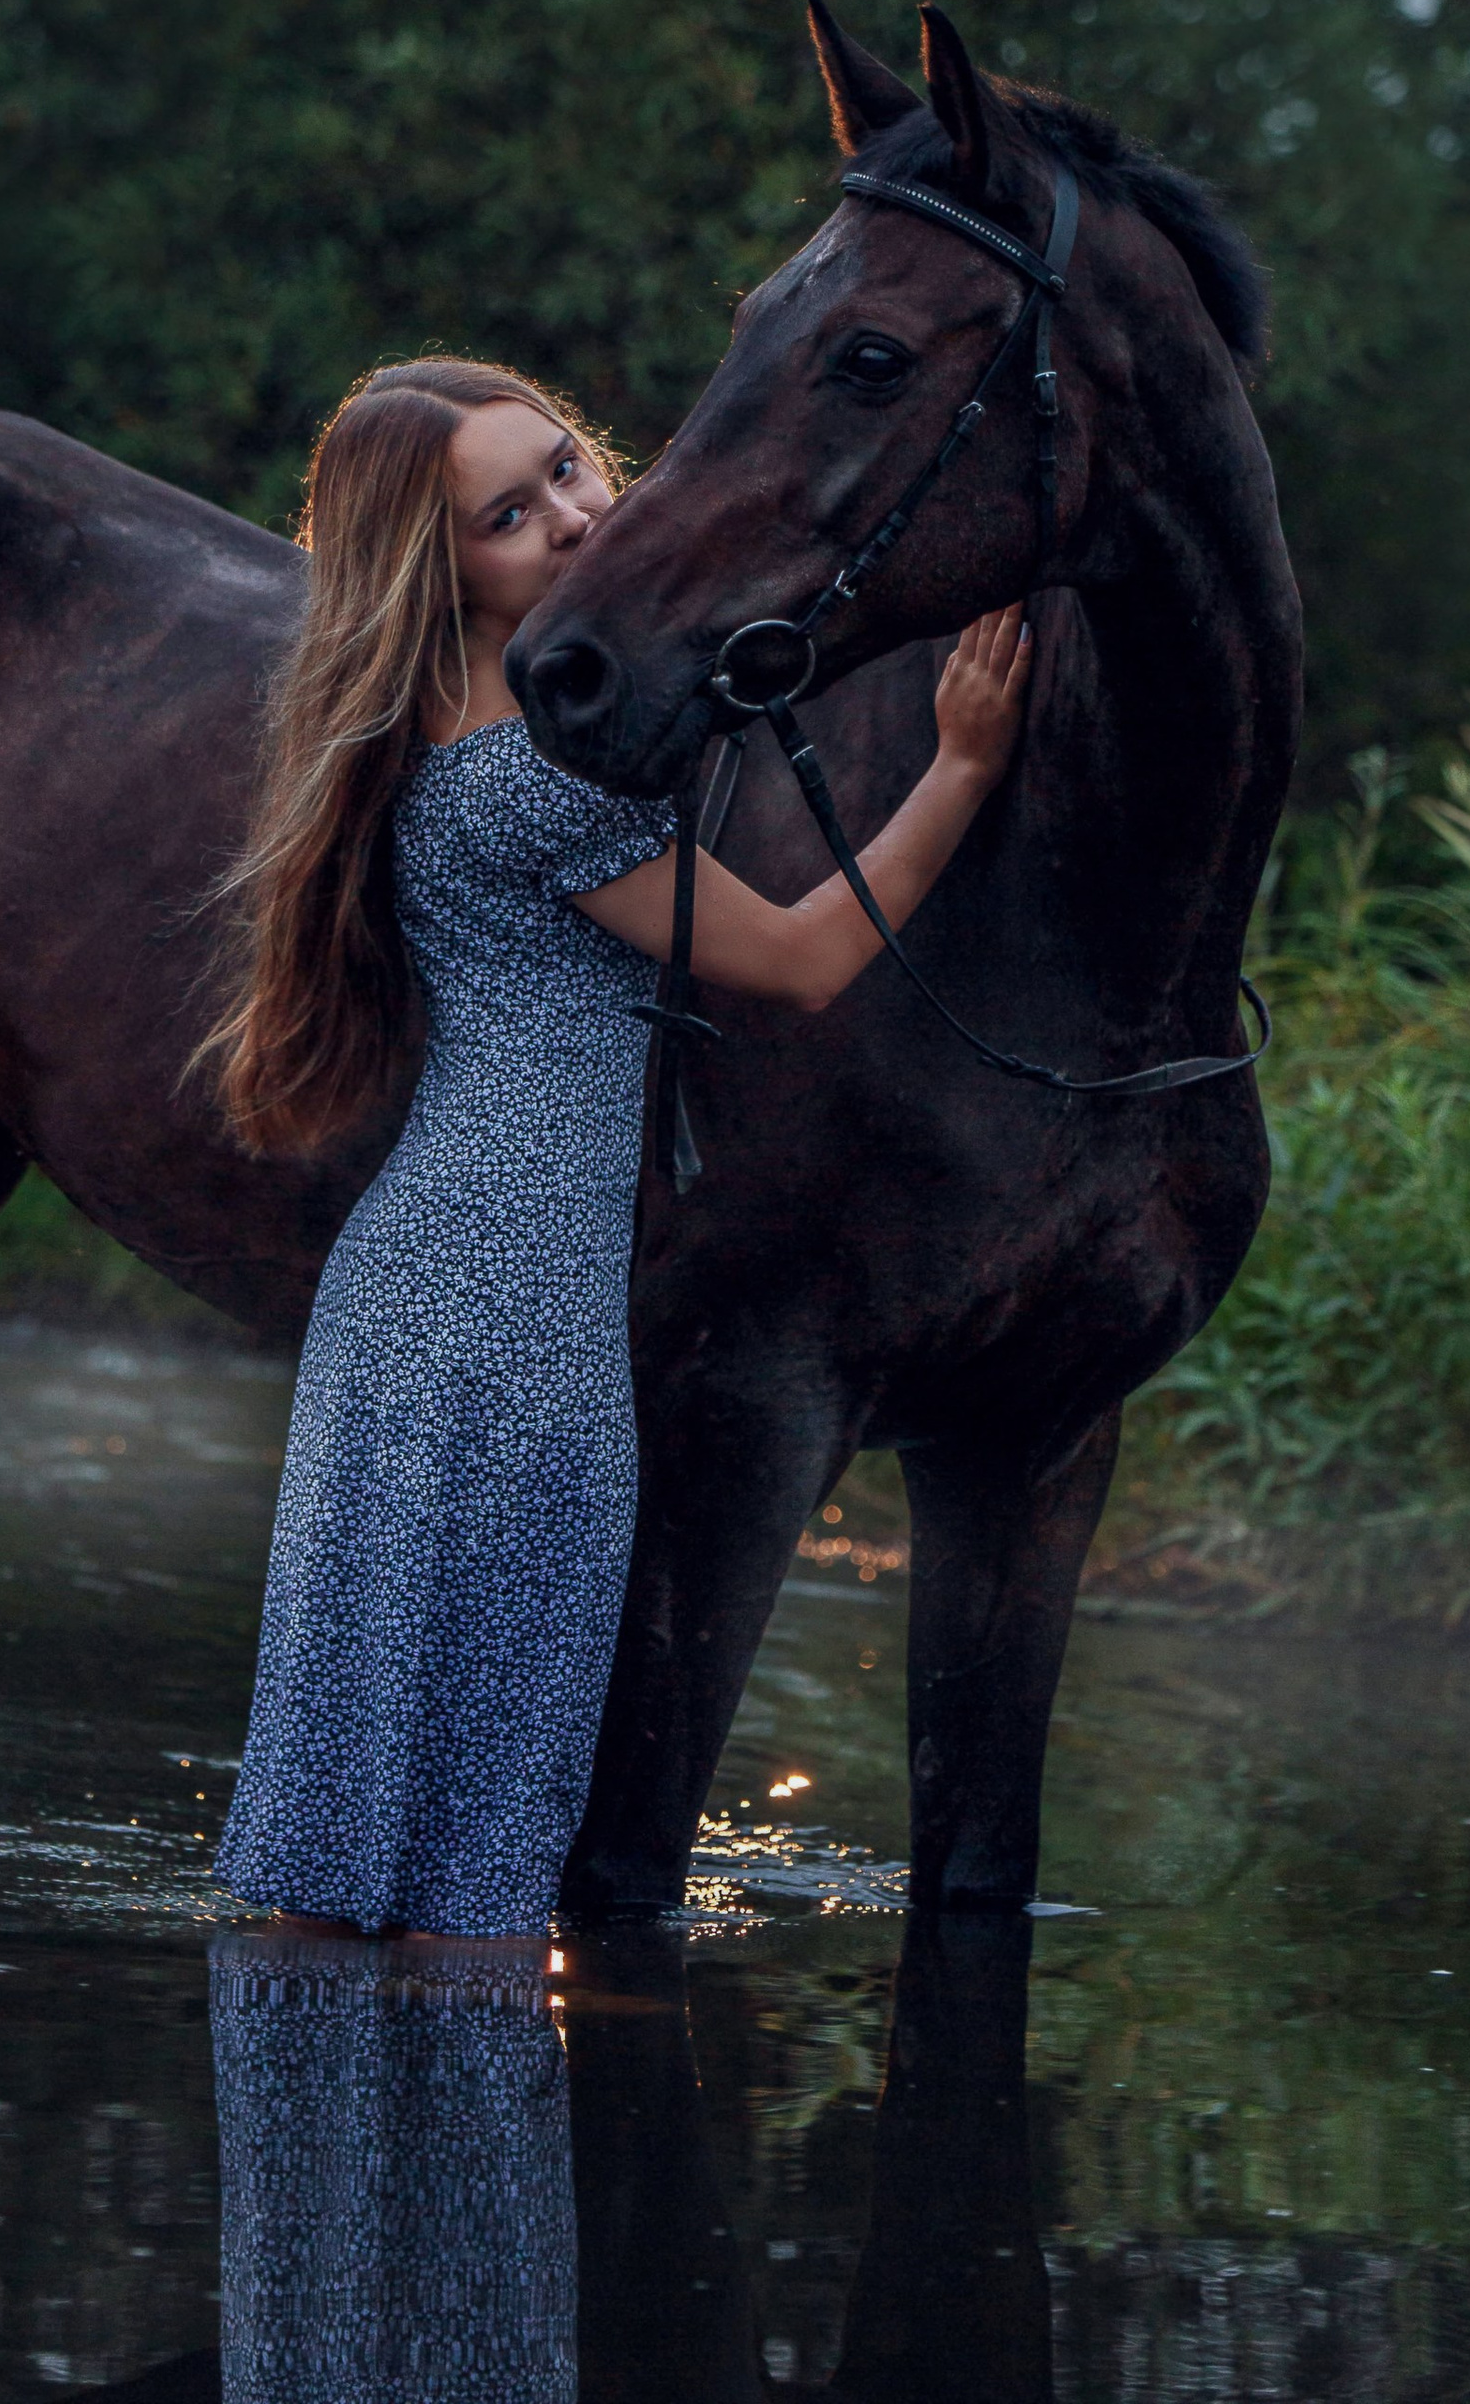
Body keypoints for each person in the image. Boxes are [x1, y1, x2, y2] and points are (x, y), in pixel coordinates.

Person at [200, 356, 1030, 1944]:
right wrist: (963, 764)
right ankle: (443, 2134)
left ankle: (343, 2138)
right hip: (499, 1313)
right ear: (438, 572)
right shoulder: (525, 779)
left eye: (570, 469)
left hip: (436, 1301)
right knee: (469, 1839)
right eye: (512, 518)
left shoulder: (461, 729)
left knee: (369, 1813)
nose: (578, 518)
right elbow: (793, 957)